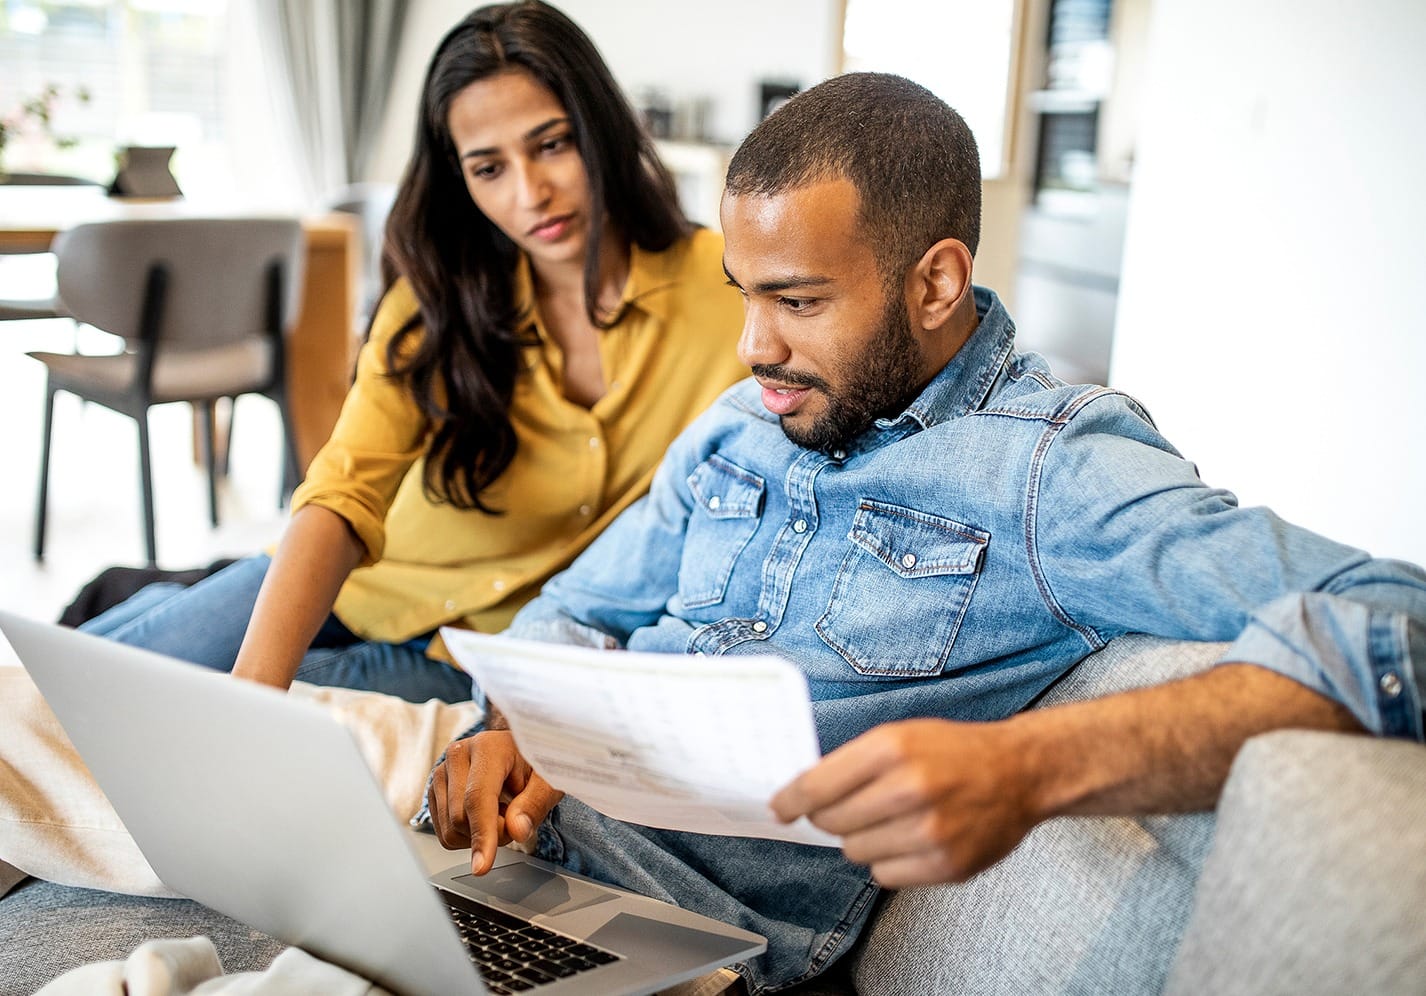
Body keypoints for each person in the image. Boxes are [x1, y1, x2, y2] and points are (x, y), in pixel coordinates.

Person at [424, 72, 1426, 993]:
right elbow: (575, 609)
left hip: (672, 941)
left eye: (799, 301)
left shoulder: (1049, 471)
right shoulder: (741, 425)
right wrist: (505, 726)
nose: (750, 347)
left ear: (936, 284)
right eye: (744, 292)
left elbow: (1395, 615)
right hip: (510, 864)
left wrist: (1027, 766)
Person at [72, 0, 747, 704]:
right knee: (70, 689)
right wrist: (252, 695)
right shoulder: (438, 297)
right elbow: (344, 488)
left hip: (478, 653)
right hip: (352, 584)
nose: (531, 193)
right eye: (489, 169)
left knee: (166, 716)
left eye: (553, 145)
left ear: (602, 129)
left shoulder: (728, 287)